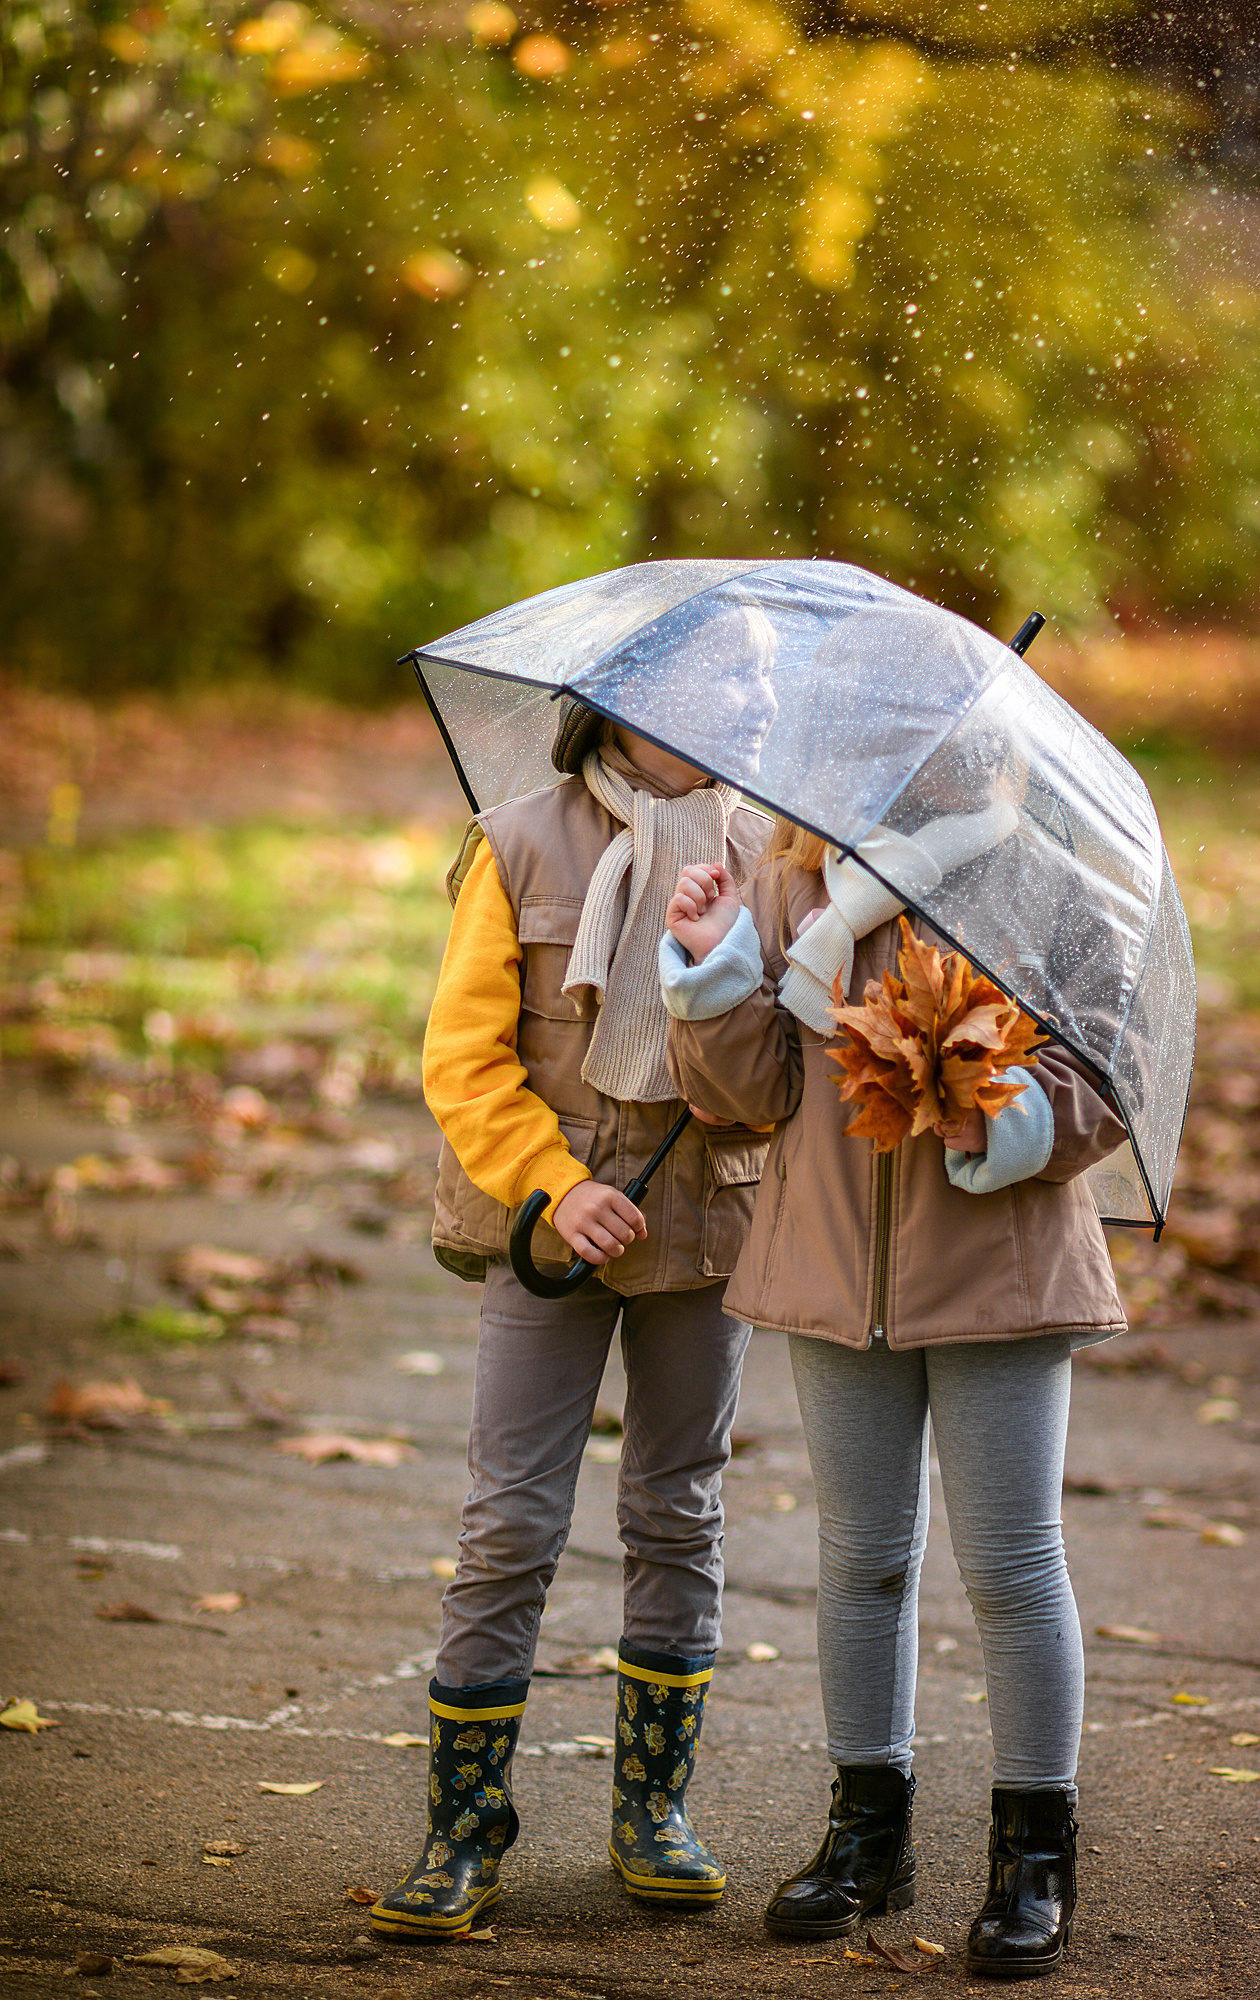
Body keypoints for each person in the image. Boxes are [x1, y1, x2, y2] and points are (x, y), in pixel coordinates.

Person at [657, 810, 1129, 1980]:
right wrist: (718, 963)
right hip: (831, 1264)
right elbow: (749, 1095)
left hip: (1000, 1271)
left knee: (1012, 1563)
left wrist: (982, 1095)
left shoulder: (1045, 885)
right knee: (860, 1556)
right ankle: (869, 1830)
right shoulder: (789, 880)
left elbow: (1107, 1072)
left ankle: (1034, 1855)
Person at [370, 616, 777, 1942]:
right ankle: (463, 1821)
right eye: (710, 691)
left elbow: (778, 1067)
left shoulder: (768, 854)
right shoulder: (516, 841)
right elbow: (464, 1057)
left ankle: (650, 1805)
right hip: (548, 1233)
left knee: (677, 1512)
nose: (732, 717)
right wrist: (552, 1181)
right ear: (620, 705)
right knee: (508, 1523)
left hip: (703, 1230)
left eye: (746, 699)